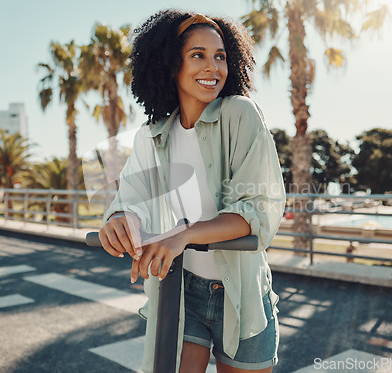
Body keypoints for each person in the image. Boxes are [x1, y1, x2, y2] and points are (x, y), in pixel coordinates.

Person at [99, 9, 285, 373]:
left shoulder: (240, 114)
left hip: (243, 294)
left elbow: (256, 209)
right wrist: (120, 219)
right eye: (197, 55)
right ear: (171, 65)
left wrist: (182, 235)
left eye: (220, 57)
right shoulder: (151, 136)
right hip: (182, 289)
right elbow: (129, 199)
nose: (213, 68)